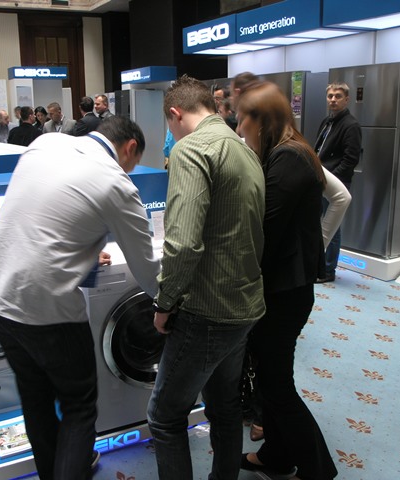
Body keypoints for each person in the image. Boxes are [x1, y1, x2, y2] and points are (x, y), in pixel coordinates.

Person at [0, 116, 160, 480]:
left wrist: (83, 252)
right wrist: (171, 305)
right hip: (48, 314)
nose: (130, 170)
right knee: (79, 407)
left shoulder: (45, 143)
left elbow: (42, 218)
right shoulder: (117, 183)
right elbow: (147, 271)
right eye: (133, 162)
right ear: (130, 147)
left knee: (35, 399)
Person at [147, 75, 266, 480]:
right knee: (224, 405)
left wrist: (164, 303)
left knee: (164, 415)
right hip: (244, 303)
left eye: (169, 126)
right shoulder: (243, 149)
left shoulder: (191, 149)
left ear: (175, 114)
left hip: (206, 310)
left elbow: (182, 243)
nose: (171, 135)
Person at [236, 81, 337, 480]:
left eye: (243, 118)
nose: (239, 127)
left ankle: (318, 470)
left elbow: (266, 230)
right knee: (271, 379)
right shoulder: (287, 152)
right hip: (283, 288)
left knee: (277, 385)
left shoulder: (289, 157)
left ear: (262, 120)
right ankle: (277, 455)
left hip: (285, 293)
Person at [314, 82, 362, 283]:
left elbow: (351, 160)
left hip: (335, 184)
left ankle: (328, 270)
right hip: (320, 180)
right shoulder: (327, 122)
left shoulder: (351, 125)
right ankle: (319, 264)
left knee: (332, 228)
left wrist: (331, 179)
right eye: (330, 96)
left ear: (347, 99)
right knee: (321, 224)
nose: (333, 100)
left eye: (338, 96)